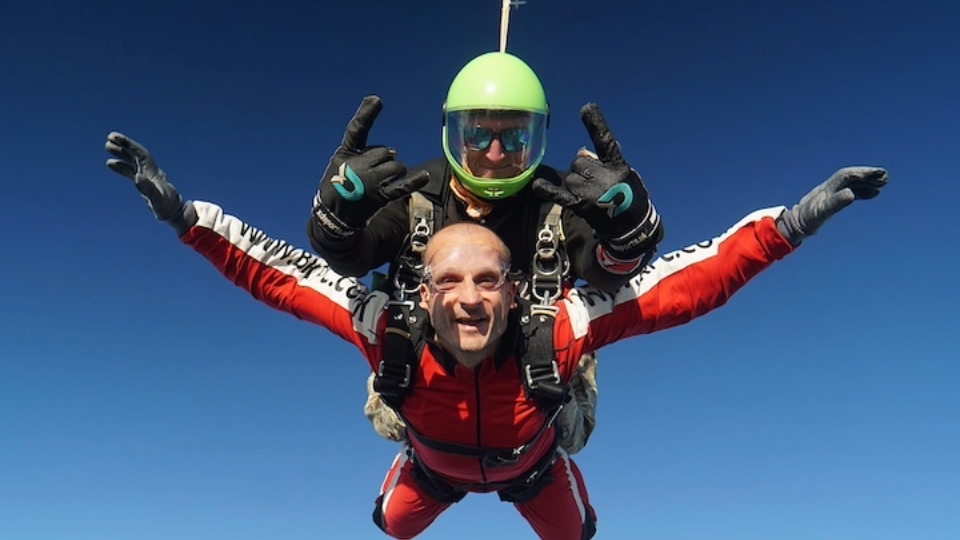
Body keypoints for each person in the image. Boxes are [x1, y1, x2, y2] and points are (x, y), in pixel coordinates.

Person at [105, 130, 887, 540]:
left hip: (533, 469)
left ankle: (553, 466)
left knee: (577, 536)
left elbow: (691, 283)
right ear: (423, 290)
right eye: (447, 281)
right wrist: (182, 215)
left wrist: (796, 221)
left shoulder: (563, 324)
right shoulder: (388, 329)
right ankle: (410, 471)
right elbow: (275, 273)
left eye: (488, 281)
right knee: (389, 527)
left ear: (516, 292)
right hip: (434, 470)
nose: (470, 299)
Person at [307, 52, 665, 452]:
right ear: (453, 134)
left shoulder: (559, 200)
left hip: (540, 371)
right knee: (391, 418)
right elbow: (353, 257)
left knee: (571, 433)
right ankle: (436, 458)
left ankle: (524, 458)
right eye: (477, 135)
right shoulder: (417, 192)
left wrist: (629, 232)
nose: (495, 154)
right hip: (429, 367)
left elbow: (605, 271)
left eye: (515, 138)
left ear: (537, 138)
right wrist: (336, 220)